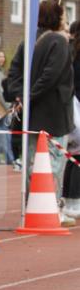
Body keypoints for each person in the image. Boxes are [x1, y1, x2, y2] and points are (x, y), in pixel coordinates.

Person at [6, 0, 74, 225]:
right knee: (53, 162)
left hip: (31, 115)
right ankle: (52, 206)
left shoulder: (27, 41)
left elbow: (14, 72)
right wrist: (29, 96)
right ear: (56, 17)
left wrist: (21, 97)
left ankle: (33, 205)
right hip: (54, 113)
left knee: (31, 162)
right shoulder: (59, 42)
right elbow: (51, 76)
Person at [61, 20, 80, 220]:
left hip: (71, 105)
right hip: (76, 106)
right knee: (77, 156)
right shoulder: (71, 52)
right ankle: (74, 200)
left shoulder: (69, 51)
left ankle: (69, 198)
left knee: (71, 156)